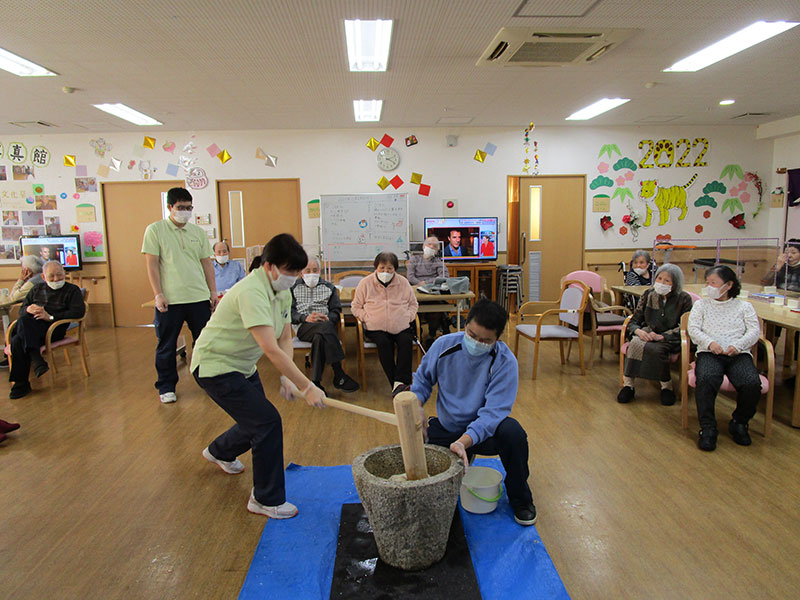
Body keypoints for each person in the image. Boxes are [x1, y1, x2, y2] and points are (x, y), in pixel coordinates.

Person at [191, 233, 326, 519]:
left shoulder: (281, 290)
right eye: (289, 271)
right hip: (215, 366)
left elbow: (284, 337)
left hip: (241, 365)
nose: (294, 277)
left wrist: (289, 377)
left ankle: (219, 451)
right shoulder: (251, 292)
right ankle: (265, 499)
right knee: (266, 421)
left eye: (296, 272)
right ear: (270, 266)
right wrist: (307, 386)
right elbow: (270, 349)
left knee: (256, 418)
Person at [410, 299, 537, 526]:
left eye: (485, 340)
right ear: (465, 324)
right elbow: (422, 379)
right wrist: (417, 405)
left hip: (484, 432)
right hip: (449, 428)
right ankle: (459, 456)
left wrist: (465, 441)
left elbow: (492, 414)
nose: (476, 343)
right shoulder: (444, 345)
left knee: (514, 434)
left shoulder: (505, 362)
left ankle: (521, 498)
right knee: (418, 456)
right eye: (472, 334)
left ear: (497, 339)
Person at [142, 187, 217, 404]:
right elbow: (152, 265)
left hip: (198, 297)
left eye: (189, 208)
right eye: (180, 208)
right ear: (169, 208)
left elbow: (206, 263)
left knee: (204, 343)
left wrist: (212, 291)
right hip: (171, 299)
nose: (185, 212)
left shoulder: (198, 233)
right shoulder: (155, 230)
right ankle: (166, 386)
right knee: (167, 344)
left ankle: (207, 381)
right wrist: (158, 294)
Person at [688, 266, 762, 452]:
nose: (708, 286)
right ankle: (708, 429)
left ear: (728, 285)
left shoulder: (744, 307)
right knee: (705, 379)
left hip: (738, 353)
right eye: (707, 282)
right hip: (709, 352)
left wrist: (738, 346)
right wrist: (711, 343)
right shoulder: (701, 305)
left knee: (751, 383)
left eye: (713, 283)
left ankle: (739, 422)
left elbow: (754, 331)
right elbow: (694, 330)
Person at [617, 264, 693, 406]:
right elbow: (634, 320)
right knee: (635, 343)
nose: (661, 283)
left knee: (656, 349)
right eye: (659, 278)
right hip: (647, 332)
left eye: (667, 281)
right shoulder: (648, 294)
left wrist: (662, 336)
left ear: (675, 283)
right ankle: (629, 385)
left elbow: (685, 326)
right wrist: (638, 331)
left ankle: (666, 386)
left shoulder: (684, 299)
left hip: (670, 337)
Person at [8, 261, 85, 399]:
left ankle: (21, 384)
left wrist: (50, 316)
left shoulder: (72, 290)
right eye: (51, 276)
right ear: (44, 277)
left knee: (18, 338)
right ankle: (35, 360)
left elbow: (78, 312)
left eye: (59, 275)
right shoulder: (36, 289)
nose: (56, 279)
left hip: (54, 328)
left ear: (64, 274)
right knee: (23, 325)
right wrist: (28, 309)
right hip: (32, 327)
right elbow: (21, 310)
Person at [351, 252, 418, 395]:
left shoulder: (403, 282)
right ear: (376, 267)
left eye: (389, 269)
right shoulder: (366, 283)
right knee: (384, 344)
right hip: (375, 327)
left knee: (406, 342)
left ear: (395, 269)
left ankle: (401, 383)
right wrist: (366, 317)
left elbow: (413, 304)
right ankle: (398, 385)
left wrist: (409, 316)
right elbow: (355, 307)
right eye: (382, 268)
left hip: (400, 325)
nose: (385, 272)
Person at [290, 256, 359, 394]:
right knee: (326, 329)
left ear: (320, 271)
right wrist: (305, 317)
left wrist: (327, 318)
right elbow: (289, 312)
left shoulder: (329, 287)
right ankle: (338, 373)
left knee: (320, 337)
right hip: (304, 327)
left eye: (315, 270)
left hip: (324, 324)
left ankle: (315, 383)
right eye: (307, 270)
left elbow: (336, 311)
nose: (311, 273)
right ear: (301, 272)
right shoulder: (292, 288)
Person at [406, 237, 450, 347]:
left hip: (432, 292)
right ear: (423, 246)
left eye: (435, 246)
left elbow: (444, 276)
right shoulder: (414, 259)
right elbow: (410, 277)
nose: (431, 247)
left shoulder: (438, 262)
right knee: (415, 310)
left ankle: (431, 335)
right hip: (416, 293)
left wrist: (427, 283)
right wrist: (420, 283)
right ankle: (417, 333)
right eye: (429, 244)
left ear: (438, 250)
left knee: (436, 310)